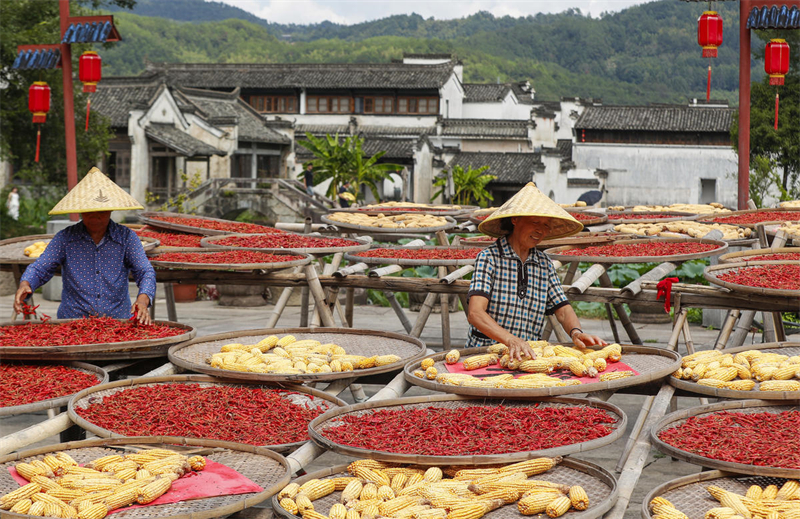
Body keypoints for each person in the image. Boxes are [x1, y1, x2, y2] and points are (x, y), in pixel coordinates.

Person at [467, 182, 606, 360]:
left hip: (526, 356)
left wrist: (576, 332)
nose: (540, 230)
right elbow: (476, 313)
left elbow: (562, 309)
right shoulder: (489, 258)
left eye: (546, 225)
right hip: (486, 354)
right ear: (515, 219)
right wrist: (510, 340)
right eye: (535, 222)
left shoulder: (544, 264)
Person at [14, 167, 156, 324]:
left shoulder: (126, 238)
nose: (95, 217)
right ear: (80, 211)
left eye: (101, 212)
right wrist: (26, 284)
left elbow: (145, 271)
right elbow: (41, 267)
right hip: (73, 322)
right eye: (89, 212)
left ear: (111, 210)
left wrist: (143, 300)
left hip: (117, 321)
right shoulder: (65, 238)